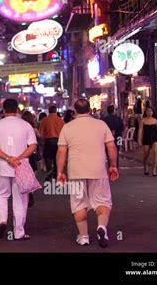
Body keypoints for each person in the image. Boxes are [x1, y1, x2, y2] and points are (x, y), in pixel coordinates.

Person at [56, 99, 119, 248]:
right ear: (90, 109)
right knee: (102, 201)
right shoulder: (101, 125)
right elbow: (111, 147)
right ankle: (101, 227)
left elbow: (61, 151)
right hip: (98, 169)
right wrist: (113, 166)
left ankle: (84, 237)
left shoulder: (67, 127)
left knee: (79, 204)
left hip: (76, 171)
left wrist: (60, 171)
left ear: (74, 111)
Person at [0, 99, 37, 240]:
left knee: (1, 195)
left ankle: (2, 221)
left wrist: (8, 158)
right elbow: (33, 145)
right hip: (21, 167)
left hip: (3, 166)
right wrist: (19, 158)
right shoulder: (26, 125)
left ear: (3, 110)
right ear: (17, 110)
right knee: (20, 199)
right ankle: (18, 232)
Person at [39, 105, 64, 182]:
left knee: (47, 156)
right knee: (56, 158)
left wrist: (42, 141)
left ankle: (49, 169)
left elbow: (41, 133)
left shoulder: (45, 120)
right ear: (56, 111)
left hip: (48, 140)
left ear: (49, 111)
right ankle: (56, 173)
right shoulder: (61, 120)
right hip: (58, 141)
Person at [138, 106, 157, 176]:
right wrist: (139, 139)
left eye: (150, 111)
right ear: (145, 112)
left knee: (155, 152)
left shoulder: (155, 120)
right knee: (146, 154)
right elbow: (140, 130)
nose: (149, 112)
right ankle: (145, 166)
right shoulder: (143, 120)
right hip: (146, 137)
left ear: (152, 112)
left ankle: (154, 169)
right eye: (148, 111)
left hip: (155, 137)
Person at [103, 105, 124, 169]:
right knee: (117, 152)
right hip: (118, 137)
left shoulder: (104, 119)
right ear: (114, 111)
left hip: (108, 138)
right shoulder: (118, 118)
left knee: (109, 152)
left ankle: (111, 166)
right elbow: (122, 128)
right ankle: (116, 167)